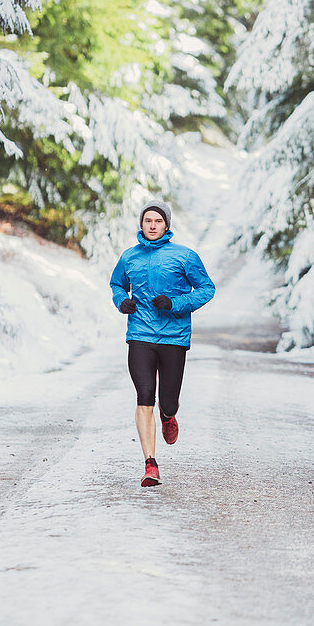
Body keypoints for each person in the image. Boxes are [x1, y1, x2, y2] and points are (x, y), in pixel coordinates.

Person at [109, 199, 215, 487]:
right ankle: (150, 463)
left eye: (158, 221)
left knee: (167, 401)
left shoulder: (185, 256)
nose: (152, 225)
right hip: (140, 335)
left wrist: (176, 303)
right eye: (148, 221)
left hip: (173, 337)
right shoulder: (130, 256)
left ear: (167, 225)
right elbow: (117, 284)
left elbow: (207, 289)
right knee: (144, 395)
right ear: (141, 224)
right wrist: (122, 302)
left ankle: (168, 415)